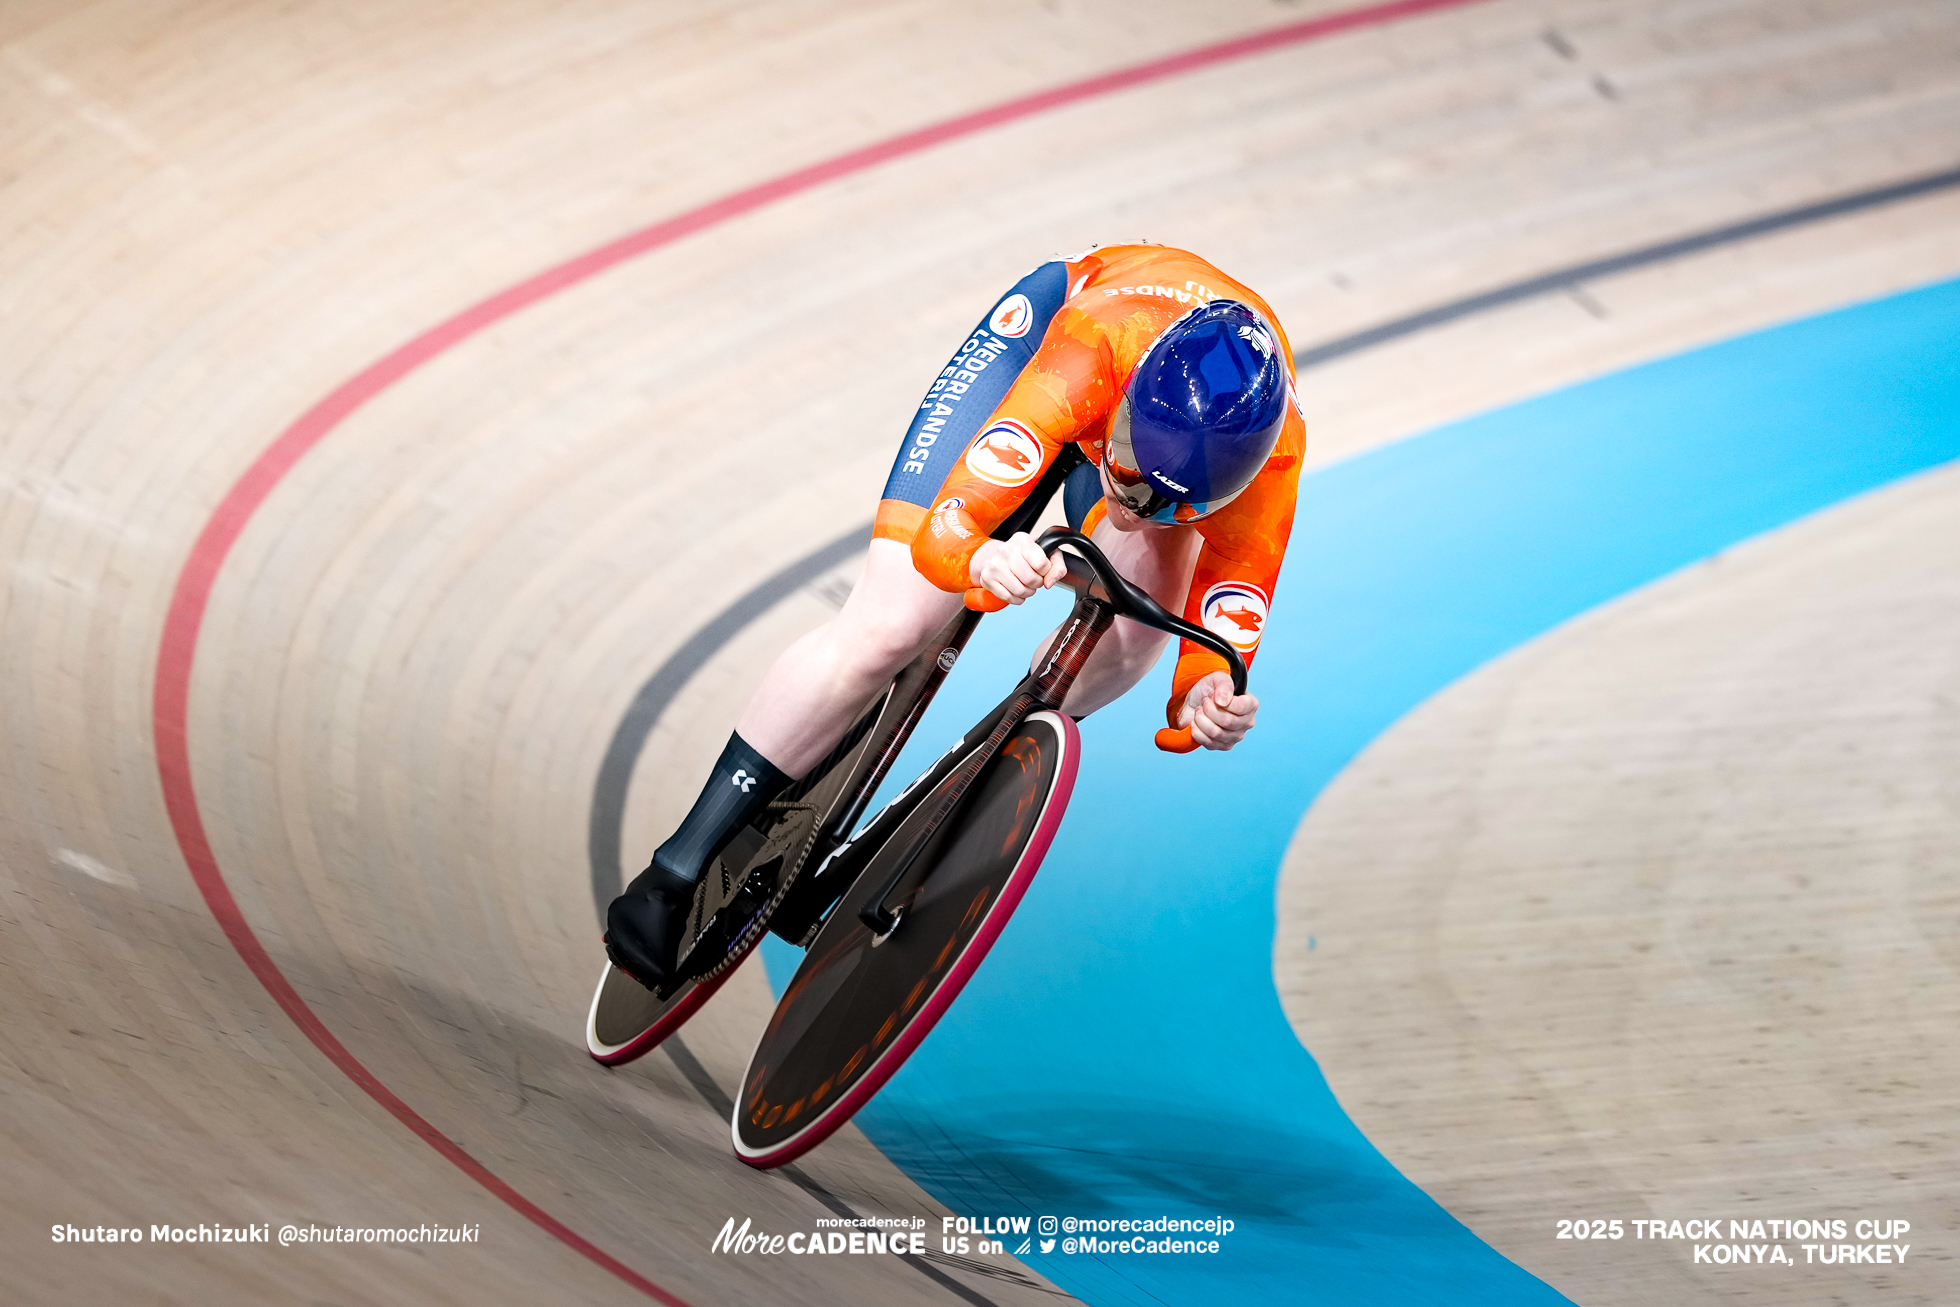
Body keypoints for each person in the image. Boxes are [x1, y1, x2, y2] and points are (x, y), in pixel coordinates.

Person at [605, 243, 1305, 987]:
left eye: (1173, 507)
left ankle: (965, 779)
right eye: (1131, 481)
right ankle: (672, 875)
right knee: (890, 627)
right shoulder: (1092, 347)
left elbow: (1232, 601)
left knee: (1134, 639)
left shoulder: (1273, 463)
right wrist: (977, 556)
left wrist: (1203, 691)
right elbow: (953, 525)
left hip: (1153, 431)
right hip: (1044, 356)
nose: (1137, 513)